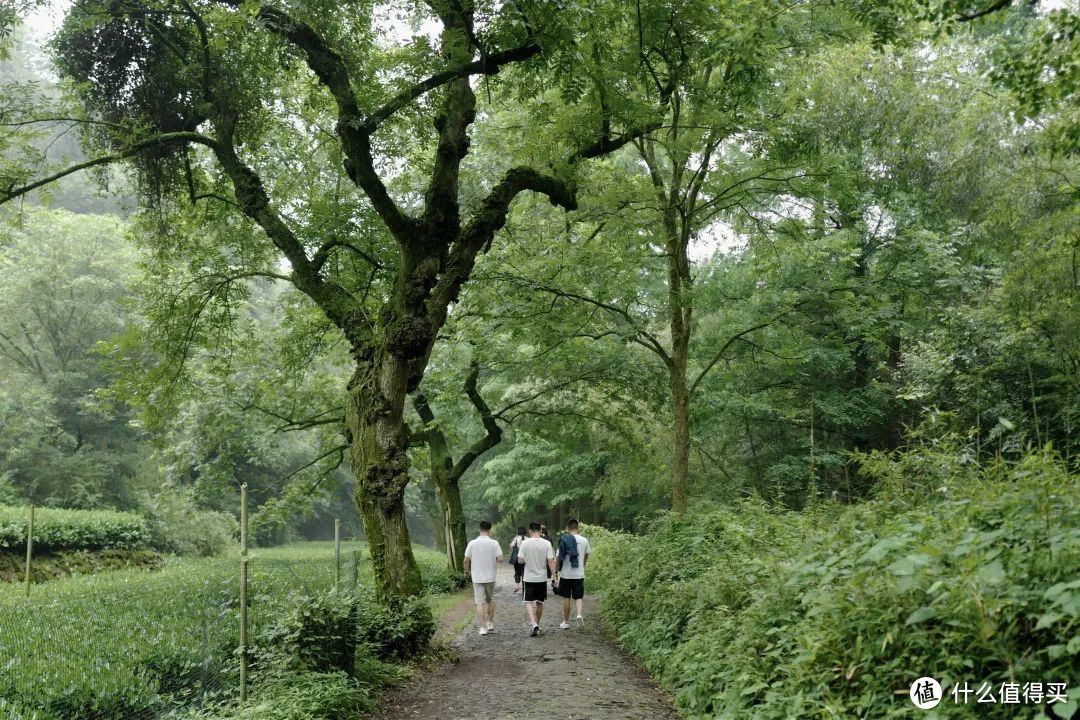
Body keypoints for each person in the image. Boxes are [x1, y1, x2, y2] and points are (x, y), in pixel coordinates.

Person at [463, 520, 502, 635]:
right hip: (490, 576)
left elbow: (466, 560)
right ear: (490, 530)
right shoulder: (494, 543)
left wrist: (466, 572)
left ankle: (482, 627)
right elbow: (500, 559)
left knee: (479, 602)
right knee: (490, 600)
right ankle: (490, 623)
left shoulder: (472, 543)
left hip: (477, 577)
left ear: (479, 529)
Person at [518, 521, 556, 637]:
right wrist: (555, 576)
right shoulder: (547, 543)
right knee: (540, 602)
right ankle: (537, 625)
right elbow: (550, 561)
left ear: (529, 531)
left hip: (529, 577)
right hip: (542, 578)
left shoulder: (524, 543)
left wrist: (527, 559)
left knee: (528, 602)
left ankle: (533, 624)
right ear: (540, 531)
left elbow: (520, 560)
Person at [555, 518, 591, 629]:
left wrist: (556, 572)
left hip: (566, 574)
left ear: (567, 528)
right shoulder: (584, 540)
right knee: (578, 596)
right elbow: (586, 555)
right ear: (578, 528)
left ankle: (565, 622)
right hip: (579, 574)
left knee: (566, 598)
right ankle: (579, 614)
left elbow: (558, 558)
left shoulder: (564, 540)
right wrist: (582, 565)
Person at [508, 525, 527, 593]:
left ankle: (517, 586)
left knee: (517, 572)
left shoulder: (516, 538)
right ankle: (525, 585)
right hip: (525, 559)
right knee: (525, 572)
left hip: (516, 559)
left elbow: (511, 546)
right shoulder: (527, 538)